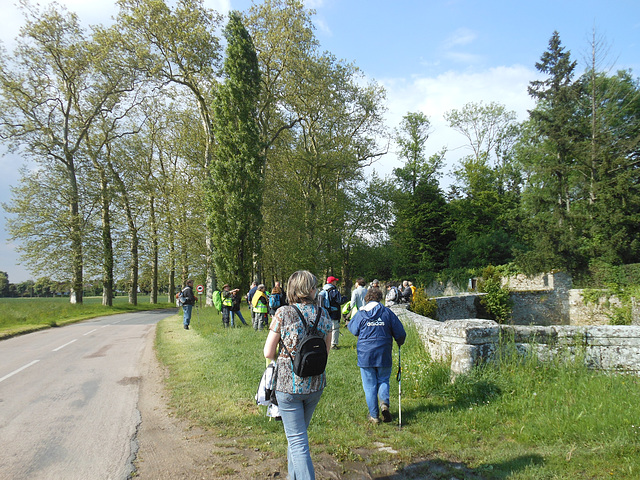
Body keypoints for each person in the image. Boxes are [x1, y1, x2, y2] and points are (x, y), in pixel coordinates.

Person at [263, 270, 332, 480]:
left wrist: (285, 358)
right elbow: (326, 352)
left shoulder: (283, 313)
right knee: (297, 438)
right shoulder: (324, 314)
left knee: (297, 441)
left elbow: (268, 352)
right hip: (315, 385)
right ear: (310, 289)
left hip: (288, 385)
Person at [348, 287, 406, 424]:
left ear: (367, 298)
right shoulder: (387, 312)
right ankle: (384, 404)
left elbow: (353, 329)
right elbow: (400, 333)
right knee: (383, 380)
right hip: (383, 352)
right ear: (380, 298)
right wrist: (399, 341)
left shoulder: (361, 313)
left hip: (365, 354)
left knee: (369, 386)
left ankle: (374, 416)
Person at [319, 276, 349, 350]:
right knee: (335, 328)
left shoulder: (323, 290)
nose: (336, 282)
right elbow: (340, 301)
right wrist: (346, 298)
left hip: (326, 312)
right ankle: (333, 344)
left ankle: (325, 343)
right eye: (335, 281)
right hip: (334, 313)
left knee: (327, 328)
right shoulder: (334, 291)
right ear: (332, 282)